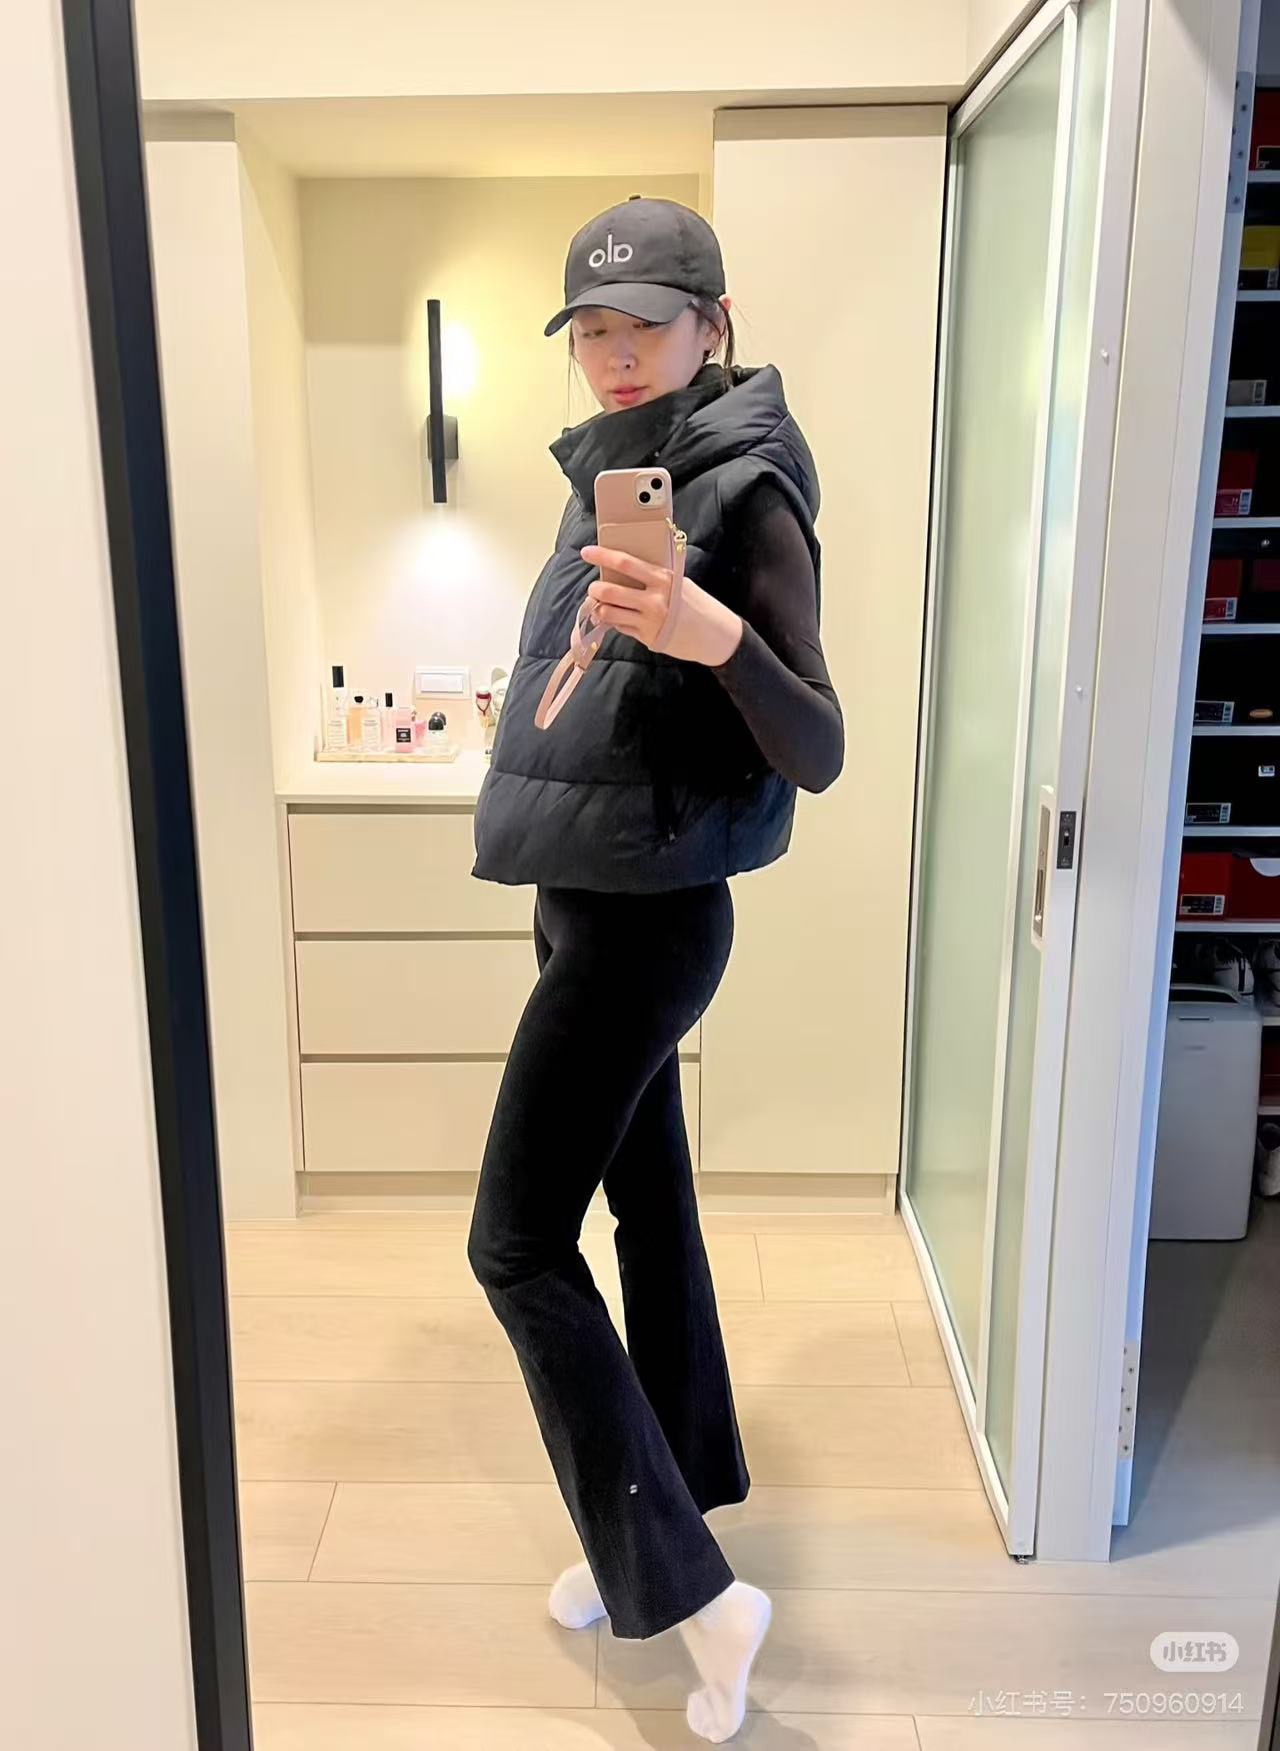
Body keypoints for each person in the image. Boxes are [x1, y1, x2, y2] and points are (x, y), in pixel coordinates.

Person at [467, 195, 843, 1744]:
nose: (618, 354)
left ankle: (692, 1593)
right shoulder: (617, 473)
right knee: (649, 1212)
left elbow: (819, 742)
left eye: (649, 325)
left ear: (715, 323)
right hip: (588, 897)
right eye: (595, 332)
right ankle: (674, 1509)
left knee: (513, 1246)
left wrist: (711, 633)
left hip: (648, 925)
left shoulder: (747, 485)